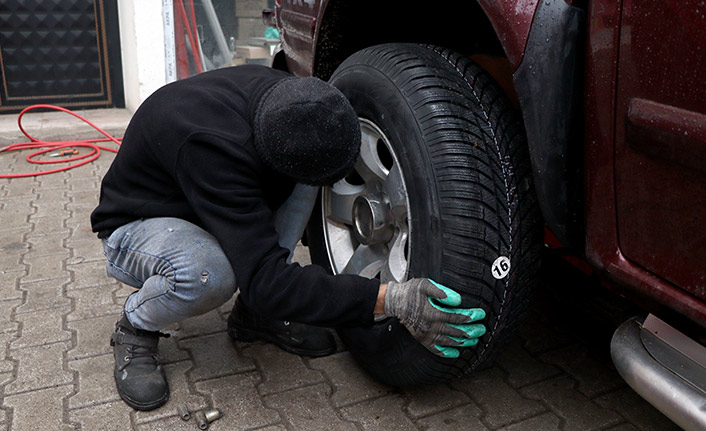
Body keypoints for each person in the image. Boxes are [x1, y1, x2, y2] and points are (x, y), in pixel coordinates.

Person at [90, 65, 487, 411]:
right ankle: (136, 326)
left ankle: (253, 319)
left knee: (307, 176)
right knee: (210, 273)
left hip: (206, 197)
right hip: (139, 224)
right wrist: (389, 299)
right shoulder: (213, 150)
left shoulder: (299, 101)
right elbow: (266, 282)